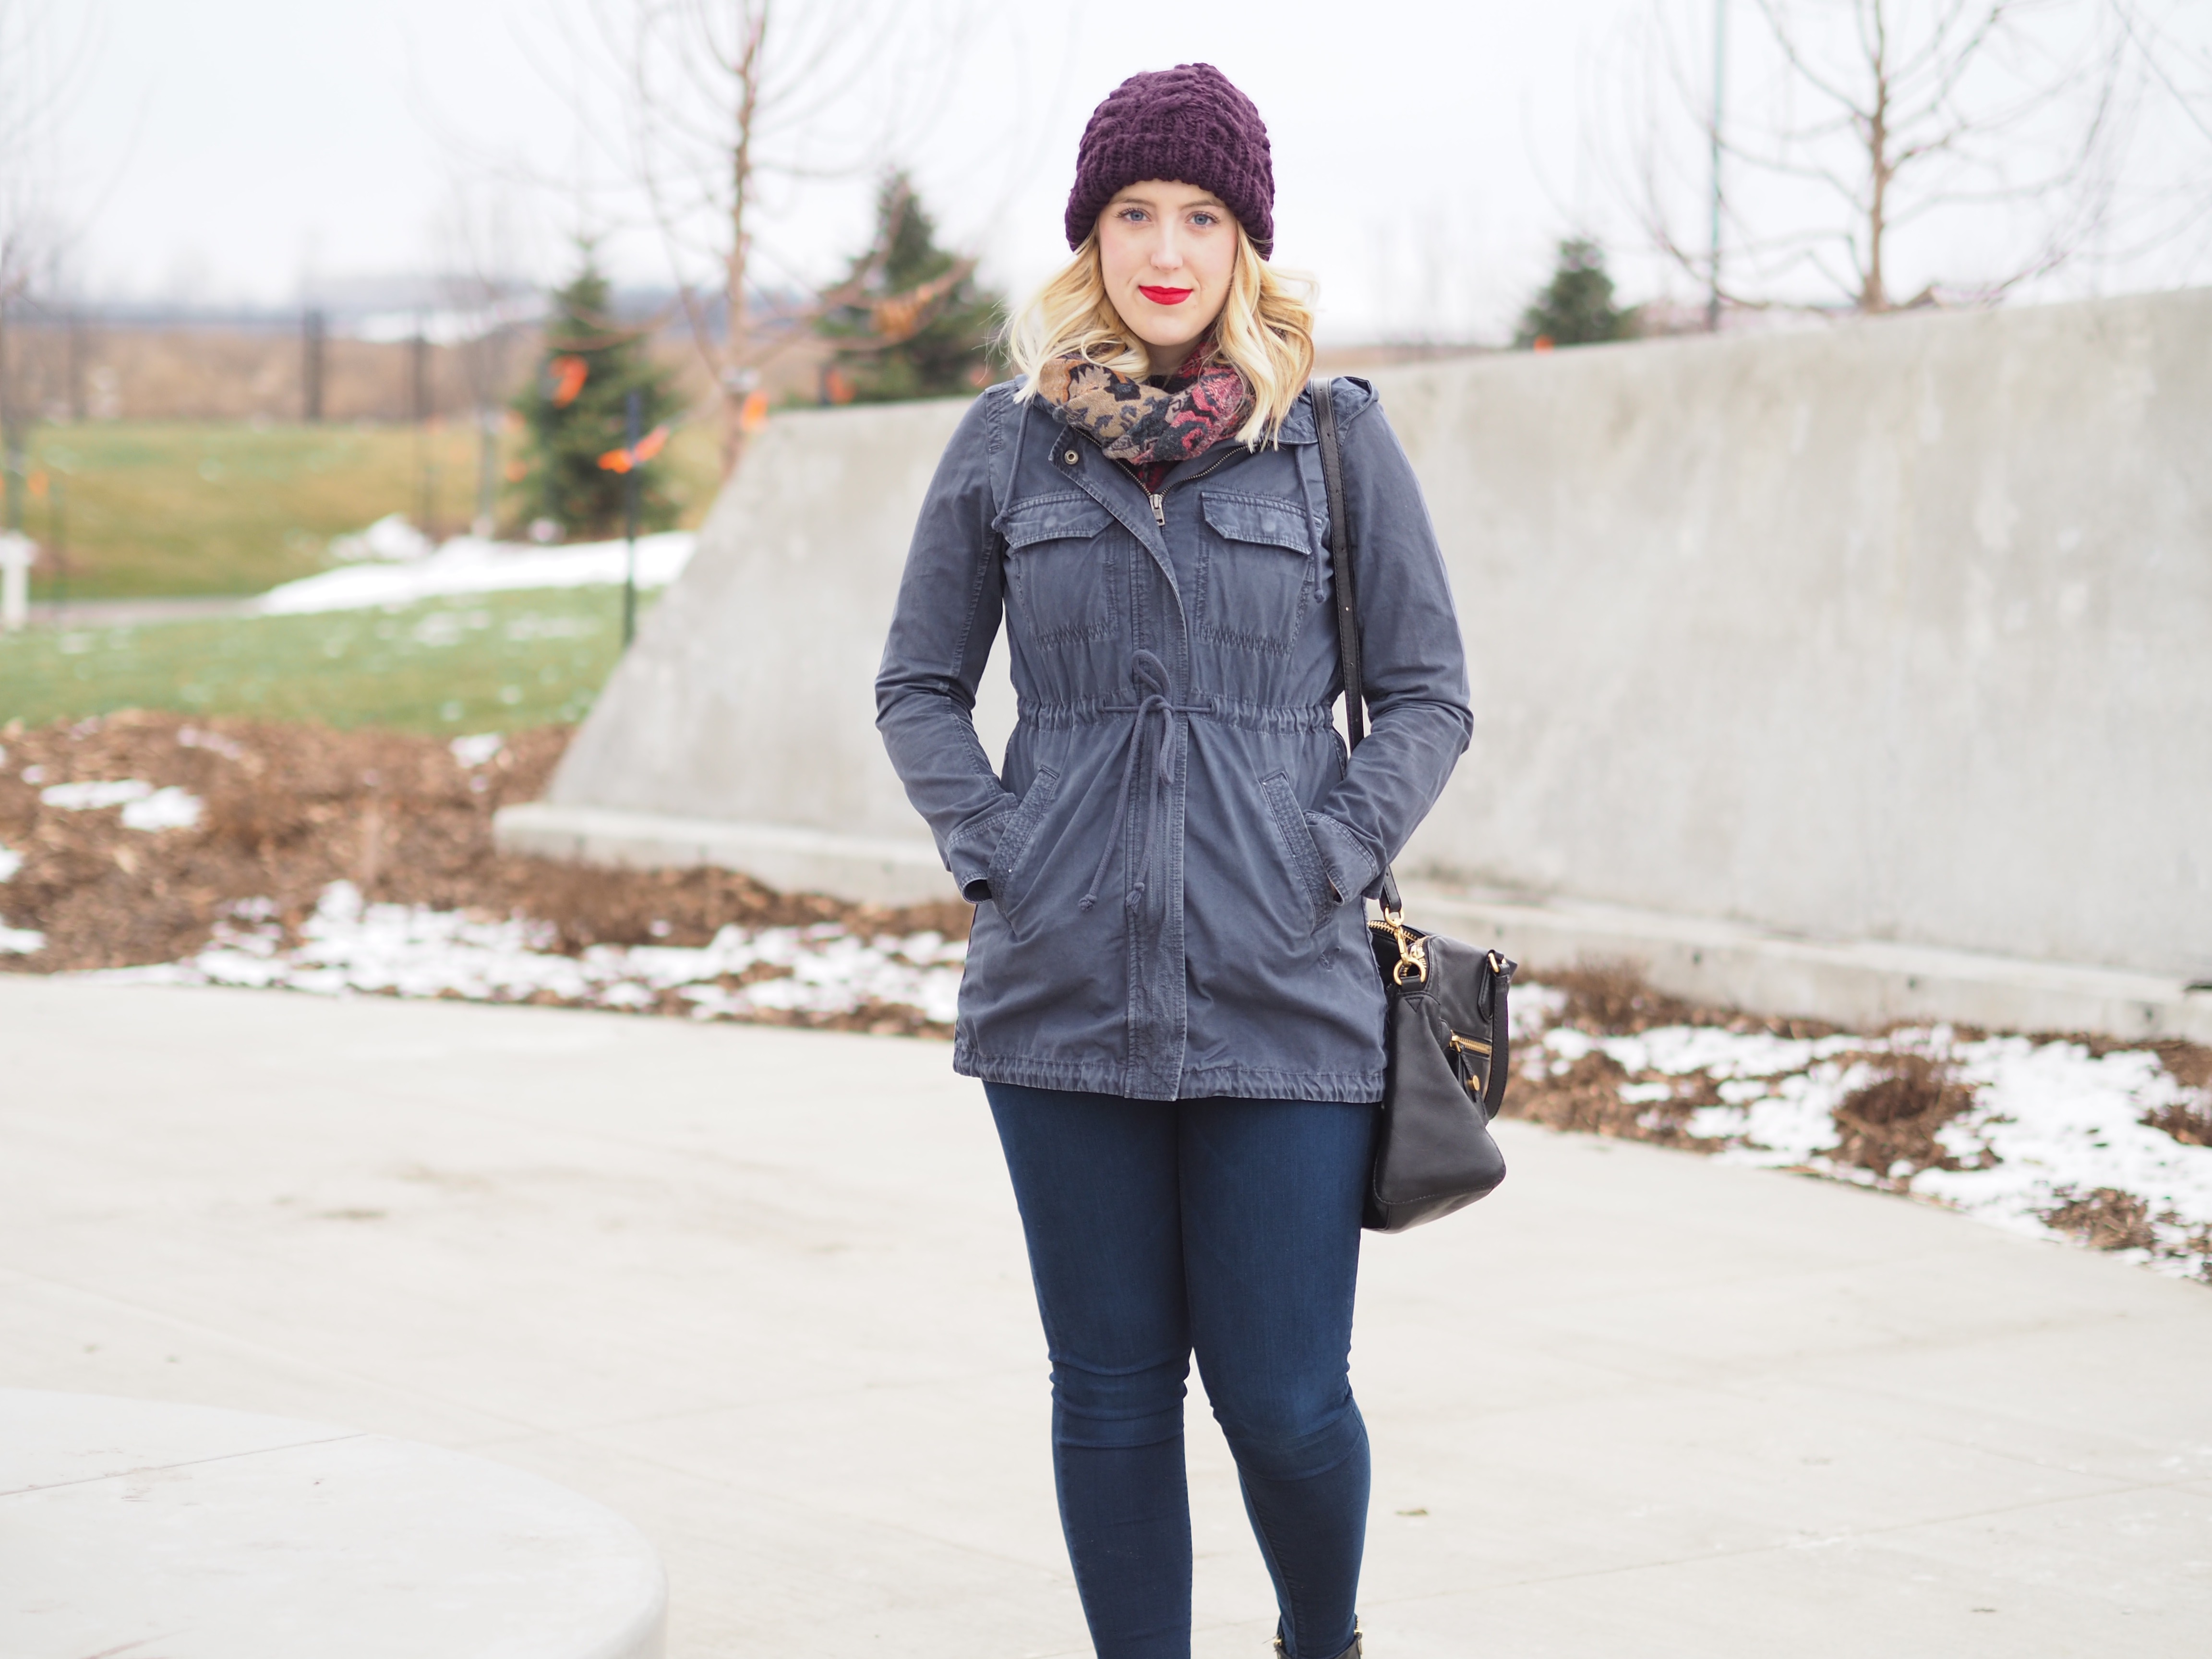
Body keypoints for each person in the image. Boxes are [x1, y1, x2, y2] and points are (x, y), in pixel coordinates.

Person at [876, 63, 1471, 1659]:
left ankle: (1319, 1640)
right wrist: (1002, 854)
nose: (1165, 245)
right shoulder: (1009, 446)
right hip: (1062, 984)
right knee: (1115, 1386)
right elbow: (918, 685)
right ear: (1091, 235)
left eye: (1200, 215)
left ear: (1245, 245)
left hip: (1283, 981)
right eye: (1134, 211)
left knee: (1282, 1395)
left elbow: (1427, 695)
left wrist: (1324, 855)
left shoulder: (1332, 440)